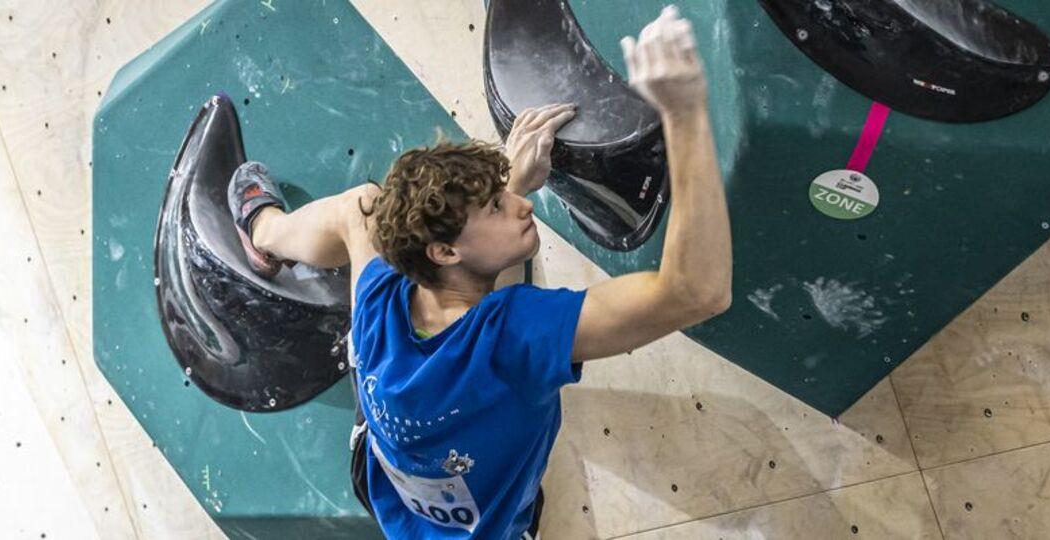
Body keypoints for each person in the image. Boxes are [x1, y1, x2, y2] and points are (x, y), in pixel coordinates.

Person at [226, 6, 729, 538]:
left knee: (363, 209)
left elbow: (366, 220)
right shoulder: (511, 338)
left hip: (385, 485)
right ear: (443, 252)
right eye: (496, 207)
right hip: (483, 527)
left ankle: (262, 231)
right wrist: (684, 114)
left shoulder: (381, 297)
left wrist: (505, 182)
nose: (524, 207)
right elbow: (696, 293)